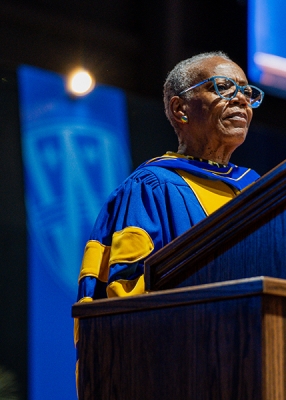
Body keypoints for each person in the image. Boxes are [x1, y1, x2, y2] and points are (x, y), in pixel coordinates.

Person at [76, 51, 263, 302]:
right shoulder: (151, 188)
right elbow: (127, 297)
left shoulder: (258, 190)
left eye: (247, 92)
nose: (241, 99)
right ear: (180, 109)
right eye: (223, 87)